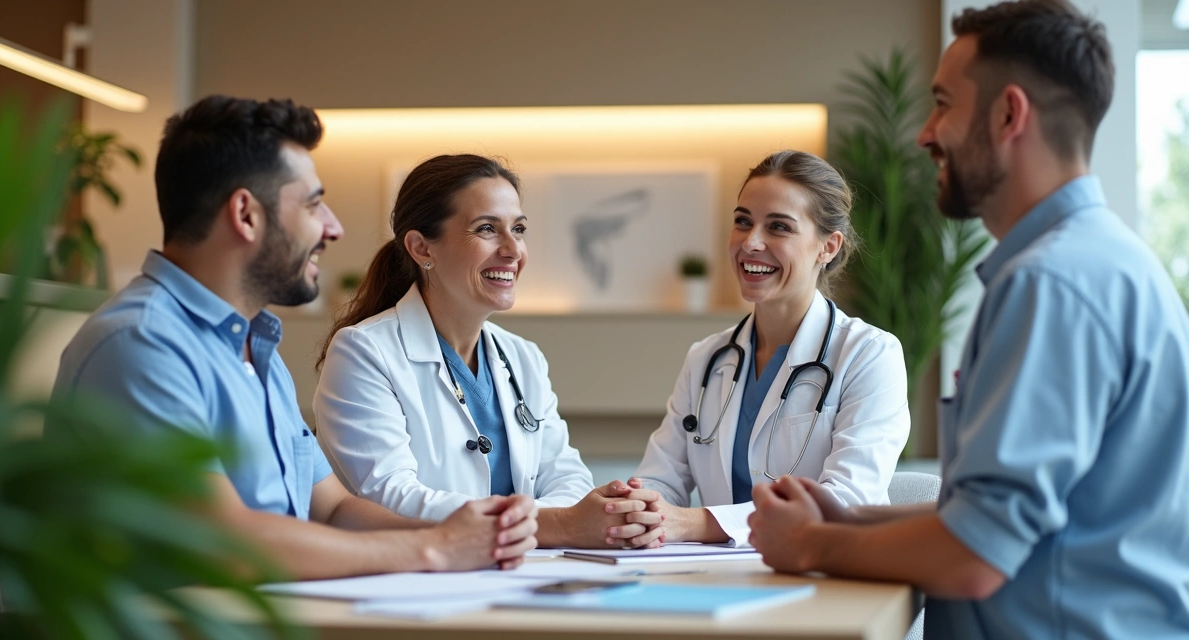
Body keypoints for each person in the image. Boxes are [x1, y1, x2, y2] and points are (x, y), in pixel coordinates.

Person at [747, 1, 1189, 637]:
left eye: (944, 104)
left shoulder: (1051, 285)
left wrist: (812, 547)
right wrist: (841, 522)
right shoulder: (1104, 261)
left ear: (1009, 114)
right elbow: (1007, 518)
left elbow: (977, 554)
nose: (926, 133)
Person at [49, 96, 538, 581]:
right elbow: (222, 542)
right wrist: (432, 548)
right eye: (313, 204)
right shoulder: (142, 343)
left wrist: (472, 532)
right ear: (245, 214)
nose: (333, 227)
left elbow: (333, 511)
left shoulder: (254, 349)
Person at [314, 153, 665, 549]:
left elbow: (567, 478)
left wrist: (601, 516)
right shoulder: (364, 352)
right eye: (486, 229)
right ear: (421, 248)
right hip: (408, 583)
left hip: (518, 571)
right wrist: (558, 526)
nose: (513, 249)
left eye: (519, 229)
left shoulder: (523, 357)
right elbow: (391, 497)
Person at [625, 150, 911, 547]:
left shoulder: (869, 355)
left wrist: (695, 523)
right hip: (718, 581)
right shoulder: (707, 358)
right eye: (743, 222)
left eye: (778, 227)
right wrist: (638, 508)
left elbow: (844, 503)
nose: (751, 243)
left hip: (824, 581)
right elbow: (662, 478)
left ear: (827, 247)